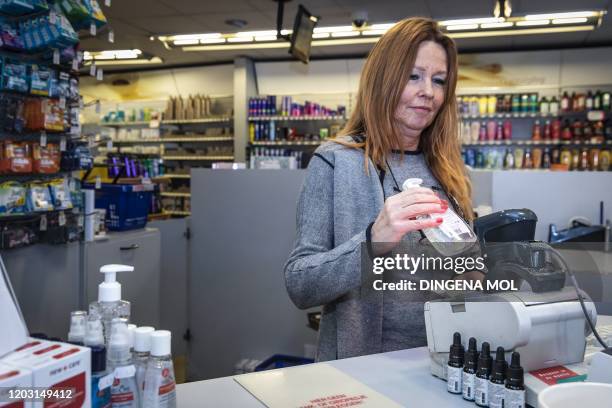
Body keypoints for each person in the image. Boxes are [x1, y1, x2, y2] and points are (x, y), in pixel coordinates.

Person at [284, 17, 484, 362]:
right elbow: (300, 285)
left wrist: (478, 265)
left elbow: (467, 273)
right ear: (384, 79)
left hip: (441, 363)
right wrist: (372, 243)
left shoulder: (449, 170)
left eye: (439, 81)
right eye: (414, 76)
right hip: (361, 369)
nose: (429, 92)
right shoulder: (335, 162)